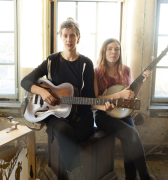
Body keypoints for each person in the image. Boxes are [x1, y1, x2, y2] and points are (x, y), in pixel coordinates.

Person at [21, 18, 112, 180]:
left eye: (72, 35)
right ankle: (78, 175)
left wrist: (103, 106)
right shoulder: (52, 61)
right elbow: (25, 81)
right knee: (63, 130)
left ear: (78, 37)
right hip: (54, 115)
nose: (68, 39)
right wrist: (42, 92)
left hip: (80, 116)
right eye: (65, 36)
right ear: (61, 37)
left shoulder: (86, 64)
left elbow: (91, 98)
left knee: (67, 136)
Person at [94, 38, 153, 180]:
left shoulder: (126, 70)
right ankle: (145, 177)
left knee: (129, 143)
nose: (113, 52)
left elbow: (131, 96)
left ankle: (130, 177)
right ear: (104, 51)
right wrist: (119, 95)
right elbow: (95, 99)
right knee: (132, 134)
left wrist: (141, 82)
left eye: (117, 49)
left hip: (123, 113)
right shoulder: (96, 72)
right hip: (104, 115)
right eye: (110, 48)